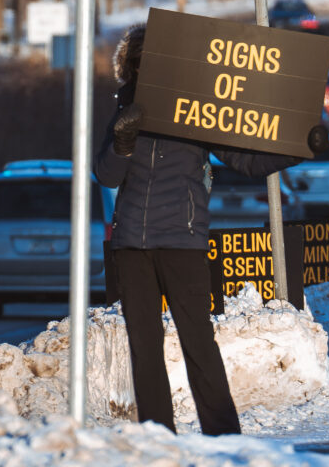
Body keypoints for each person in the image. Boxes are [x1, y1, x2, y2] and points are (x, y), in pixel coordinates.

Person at [94, 25, 304, 435]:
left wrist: (296, 148)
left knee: (199, 344)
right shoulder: (125, 109)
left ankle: (224, 435)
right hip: (130, 245)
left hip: (183, 241)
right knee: (145, 348)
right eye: (140, 65)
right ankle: (158, 437)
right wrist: (123, 142)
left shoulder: (195, 108)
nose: (147, 72)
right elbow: (105, 174)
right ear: (133, 68)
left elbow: (245, 160)